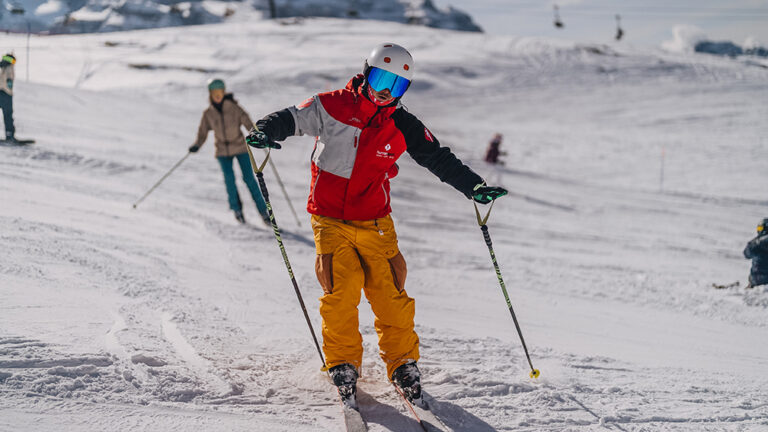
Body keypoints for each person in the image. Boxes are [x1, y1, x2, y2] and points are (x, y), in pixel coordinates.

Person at [245, 43, 507, 407]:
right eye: (382, 79)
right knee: (341, 292)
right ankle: (343, 363)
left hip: (375, 221)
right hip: (329, 218)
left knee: (390, 294)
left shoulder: (402, 124)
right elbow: (291, 118)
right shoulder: (332, 105)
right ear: (367, 73)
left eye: (397, 86)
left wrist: (474, 187)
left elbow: (439, 158)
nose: (386, 91)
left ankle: (402, 364)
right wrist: (266, 130)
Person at [190, 78, 269, 224]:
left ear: (224, 92)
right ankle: (237, 210)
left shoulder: (234, 108)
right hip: (222, 150)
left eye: (220, 92)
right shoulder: (208, 113)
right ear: (210, 94)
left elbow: (248, 123)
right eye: (214, 93)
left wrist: (257, 135)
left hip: (239, 146)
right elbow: (202, 133)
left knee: (249, 179)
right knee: (229, 179)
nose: (218, 95)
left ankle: (263, 212)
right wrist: (197, 145)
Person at [744, 218, 768, 288]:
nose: (759, 230)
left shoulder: (757, 242)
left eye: (760, 228)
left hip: (758, 279)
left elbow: (747, 253)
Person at [1, 53, 16, 142]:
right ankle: (9, 135)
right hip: (6, 93)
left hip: (3, 91)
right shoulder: (9, 66)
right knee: (8, 115)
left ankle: (9, 134)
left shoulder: (2, 65)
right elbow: (9, 81)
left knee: (8, 115)